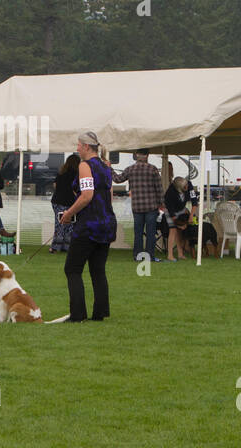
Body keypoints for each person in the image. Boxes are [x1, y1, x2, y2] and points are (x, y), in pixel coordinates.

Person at [58, 131, 116, 322]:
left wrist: (68, 214)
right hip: (106, 222)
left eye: (78, 145)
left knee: (72, 269)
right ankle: (99, 313)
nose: (77, 149)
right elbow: (109, 194)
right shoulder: (106, 166)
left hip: (89, 223)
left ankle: (78, 313)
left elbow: (87, 195)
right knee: (98, 270)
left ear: (86, 147)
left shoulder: (85, 166)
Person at [114, 149, 162, 263]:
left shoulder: (130, 169)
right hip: (151, 206)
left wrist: (109, 169)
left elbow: (117, 179)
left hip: (137, 207)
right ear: (147, 155)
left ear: (136, 155)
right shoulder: (153, 169)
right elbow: (159, 189)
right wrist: (162, 203)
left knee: (138, 233)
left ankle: (137, 256)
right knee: (150, 233)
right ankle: (149, 256)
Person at [49, 154, 81, 253]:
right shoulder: (76, 173)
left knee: (60, 224)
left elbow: (55, 184)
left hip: (57, 201)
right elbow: (76, 189)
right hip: (69, 202)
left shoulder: (61, 172)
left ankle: (56, 246)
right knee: (70, 224)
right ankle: (66, 246)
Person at [162, 177, 193, 262]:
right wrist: (179, 223)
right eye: (184, 187)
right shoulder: (170, 193)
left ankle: (180, 253)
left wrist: (190, 216)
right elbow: (170, 209)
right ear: (179, 188)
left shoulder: (189, 185)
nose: (186, 187)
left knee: (179, 232)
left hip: (181, 209)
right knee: (173, 230)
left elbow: (194, 202)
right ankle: (170, 255)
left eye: (186, 185)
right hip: (170, 210)